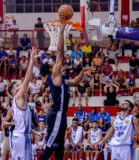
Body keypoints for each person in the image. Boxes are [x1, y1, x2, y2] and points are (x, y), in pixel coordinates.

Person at [40, 18, 95, 160]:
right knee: (51, 145)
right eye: (51, 62)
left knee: (59, 147)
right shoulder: (55, 74)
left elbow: (76, 82)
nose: (54, 61)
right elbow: (60, 52)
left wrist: (82, 72)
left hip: (61, 114)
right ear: (51, 68)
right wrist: (62, 30)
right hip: (57, 114)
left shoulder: (61, 79)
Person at [3, 47, 38, 160]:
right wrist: (31, 60)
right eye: (17, 86)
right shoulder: (18, 97)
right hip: (20, 137)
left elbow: (24, 125)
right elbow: (27, 80)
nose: (20, 86)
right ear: (13, 91)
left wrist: (37, 133)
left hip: (22, 136)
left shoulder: (22, 102)